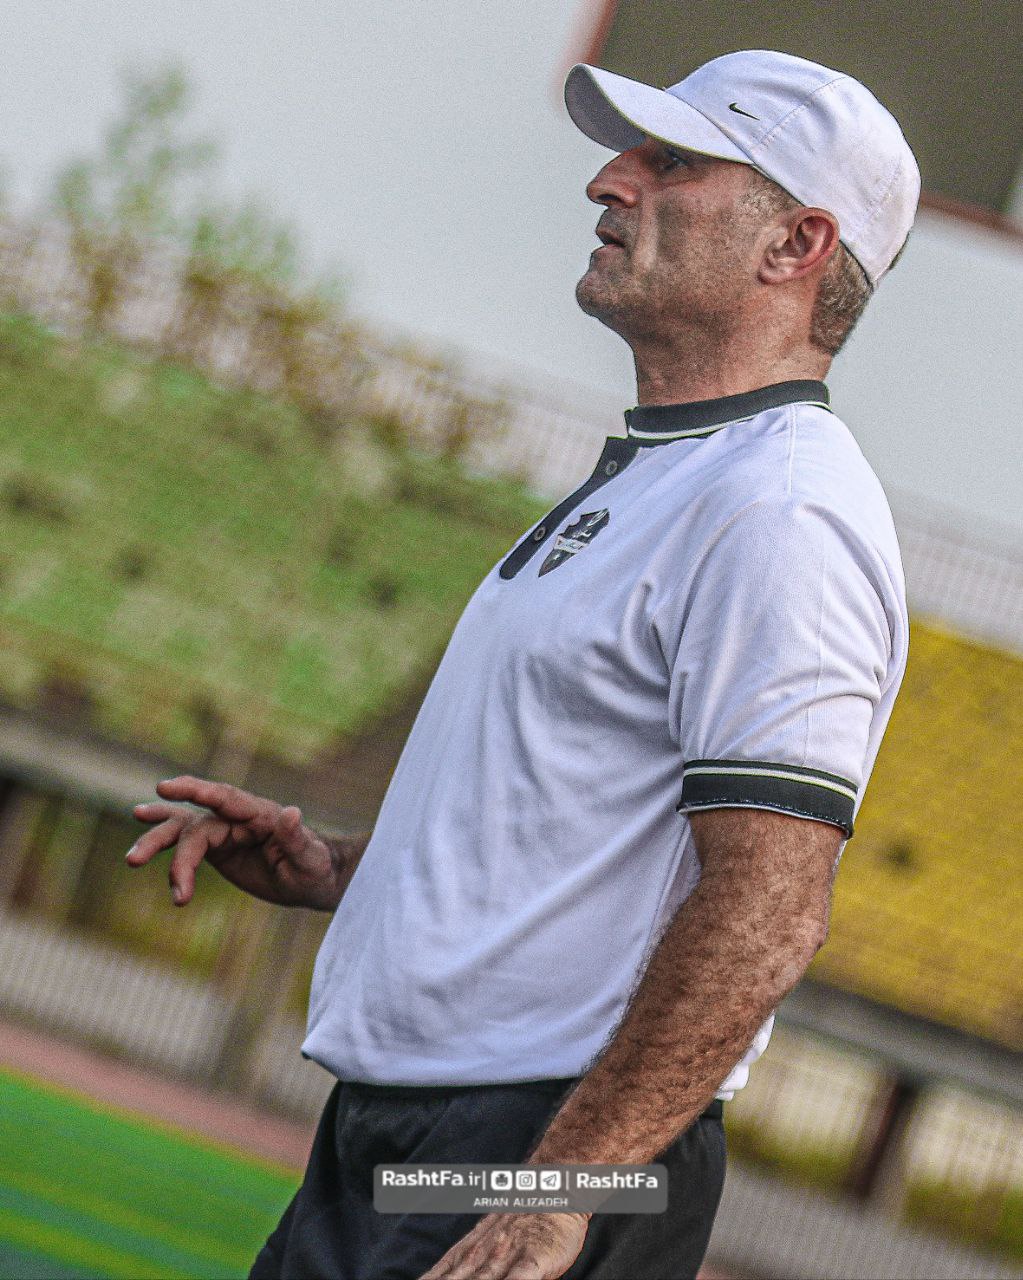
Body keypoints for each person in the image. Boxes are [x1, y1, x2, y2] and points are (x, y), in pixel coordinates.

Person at [127, 49, 919, 1280]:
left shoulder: (782, 510)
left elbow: (769, 908)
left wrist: (560, 1191)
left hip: (541, 1145)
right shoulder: (670, 477)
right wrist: (342, 871)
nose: (610, 181)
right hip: (425, 1134)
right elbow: (572, 835)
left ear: (796, 244)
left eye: (672, 162)